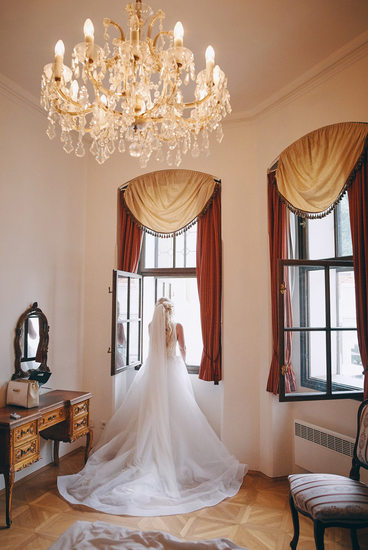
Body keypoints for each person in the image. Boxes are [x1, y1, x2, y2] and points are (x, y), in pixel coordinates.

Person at [58, 298, 247, 516]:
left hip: (154, 376)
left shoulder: (150, 326)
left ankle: (148, 457)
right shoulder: (178, 327)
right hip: (173, 372)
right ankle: (174, 458)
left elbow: (153, 351)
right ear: (170, 311)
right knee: (180, 419)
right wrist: (181, 365)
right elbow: (183, 349)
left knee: (148, 418)